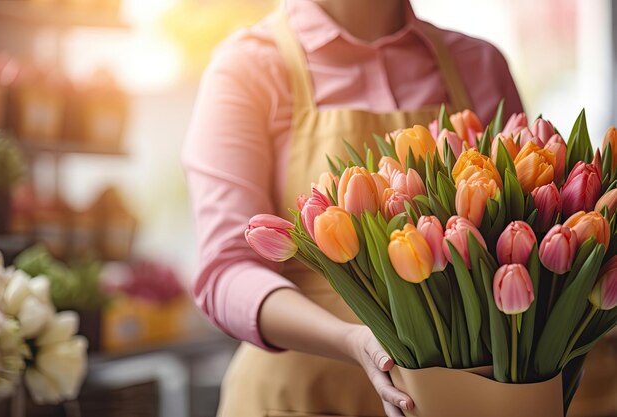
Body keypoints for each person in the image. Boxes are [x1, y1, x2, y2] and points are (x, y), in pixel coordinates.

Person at [182, 1, 523, 416]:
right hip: (299, 399)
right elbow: (227, 271)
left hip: (454, 402)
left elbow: (520, 238)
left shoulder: (480, 64)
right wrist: (353, 339)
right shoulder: (249, 66)